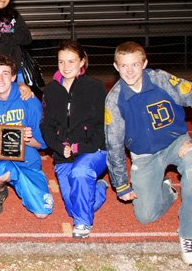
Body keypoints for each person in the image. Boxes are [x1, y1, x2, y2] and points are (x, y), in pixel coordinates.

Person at [105, 41, 192, 266]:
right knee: (145, 216)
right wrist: (121, 184)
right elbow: (113, 144)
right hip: (144, 155)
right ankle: (167, 189)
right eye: (124, 66)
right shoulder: (113, 100)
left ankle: (188, 233)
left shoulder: (162, 80)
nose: (130, 71)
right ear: (116, 67)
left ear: (145, 63)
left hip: (176, 142)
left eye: (135, 64)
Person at [40, 40, 108, 238]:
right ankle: (99, 188)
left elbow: (103, 125)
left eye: (71, 61)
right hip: (64, 156)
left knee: (80, 173)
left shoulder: (95, 87)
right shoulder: (51, 90)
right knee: (75, 206)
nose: (66, 67)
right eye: (61, 62)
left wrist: (80, 147)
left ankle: (83, 225)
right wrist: (60, 147)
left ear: (82, 62)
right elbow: (46, 126)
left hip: (93, 151)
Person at [0, 55, 53, 219]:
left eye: (5, 73)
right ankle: (0, 191)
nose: (1, 79)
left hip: (27, 157)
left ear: (13, 77)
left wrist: (28, 139)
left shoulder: (29, 101)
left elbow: (43, 144)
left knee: (42, 213)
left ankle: (30, 181)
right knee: (1, 173)